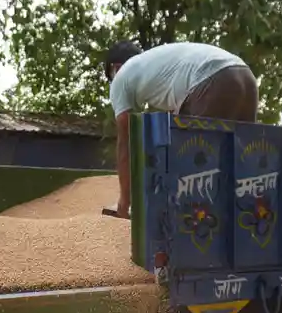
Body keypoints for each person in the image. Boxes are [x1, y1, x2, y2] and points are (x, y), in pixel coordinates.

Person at [104, 40, 259, 218]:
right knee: (243, 165)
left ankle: (185, 233)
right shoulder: (162, 64)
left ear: (116, 68)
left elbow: (126, 143)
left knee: (190, 169)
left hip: (211, 82)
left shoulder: (122, 76)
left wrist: (125, 203)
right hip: (246, 77)